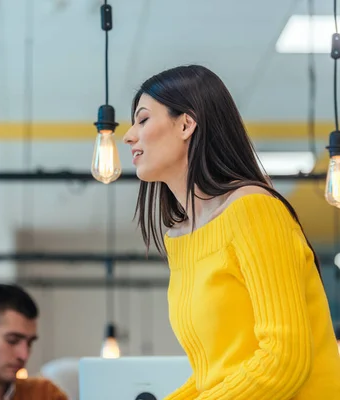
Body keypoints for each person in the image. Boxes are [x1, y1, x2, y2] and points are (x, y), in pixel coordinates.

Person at [122, 65, 340, 399]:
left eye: (143, 119)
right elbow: (214, 375)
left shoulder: (254, 210)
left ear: (186, 124)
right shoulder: (183, 236)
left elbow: (284, 359)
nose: (128, 135)